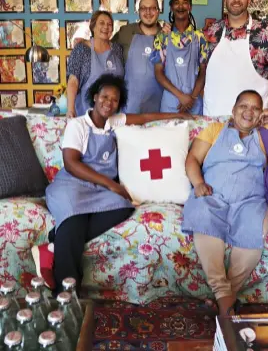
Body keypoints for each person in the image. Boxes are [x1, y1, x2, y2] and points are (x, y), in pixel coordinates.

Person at [31, 74, 191, 295]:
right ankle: (67, 293)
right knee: (74, 220)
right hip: (73, 184)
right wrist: (112, 185)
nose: (109, 102)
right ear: (94, 97)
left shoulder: (114, 122)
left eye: (114, 100)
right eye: (104, 96)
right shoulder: (78, 125)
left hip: (99, 189)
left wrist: (178, 115)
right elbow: (70, 163)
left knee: (124, 206)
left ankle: (53, 245)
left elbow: (146, 117)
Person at [182, 90, 268, 316]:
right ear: (233, 109)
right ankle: (224, 297)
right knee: (201, 213)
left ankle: (223, 298)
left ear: (260, 113)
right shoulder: (215, 130)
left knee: (254, 228)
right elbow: (193, 159)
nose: (248, 112)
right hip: (213, 197)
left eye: (255, 108)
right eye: (243, 106)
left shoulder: (265, 136)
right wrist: (198, 183)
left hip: (250, 201)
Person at [203, 0, 268, 117]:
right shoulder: (212, 31)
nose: (236, 0)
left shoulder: (265, 32)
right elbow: (200, 68)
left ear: (248, 0)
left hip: (252, 117)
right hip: (214, 113)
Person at [73, 0, 163, 114]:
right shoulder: (125, 32)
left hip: (158, 100)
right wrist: (87, 41)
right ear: (138, 11)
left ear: (158, 11)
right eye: (143, 8)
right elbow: (105, 43)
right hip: (129, 103)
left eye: (152, 8)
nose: (148, 12)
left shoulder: (167, 34)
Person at [150, 0, 208, 114]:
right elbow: (158, 73)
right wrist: (181, 96)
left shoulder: (200, 37)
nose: (180, 6)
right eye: (176, 2)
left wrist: (191, 98)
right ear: (171, 7)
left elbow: (203, 72)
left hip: (194, 102)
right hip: (170, 103)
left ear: (190, 7)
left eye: (185, 2)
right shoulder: (162, 37)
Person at [66, 10, 124, 118]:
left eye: (109, 24)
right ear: (93, 27)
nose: (106, 27)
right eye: (101, 23)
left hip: (113, 115)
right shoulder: (81, 49)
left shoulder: (117, 49)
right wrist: (70, 109)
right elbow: (73, 81)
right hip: (87, 114)